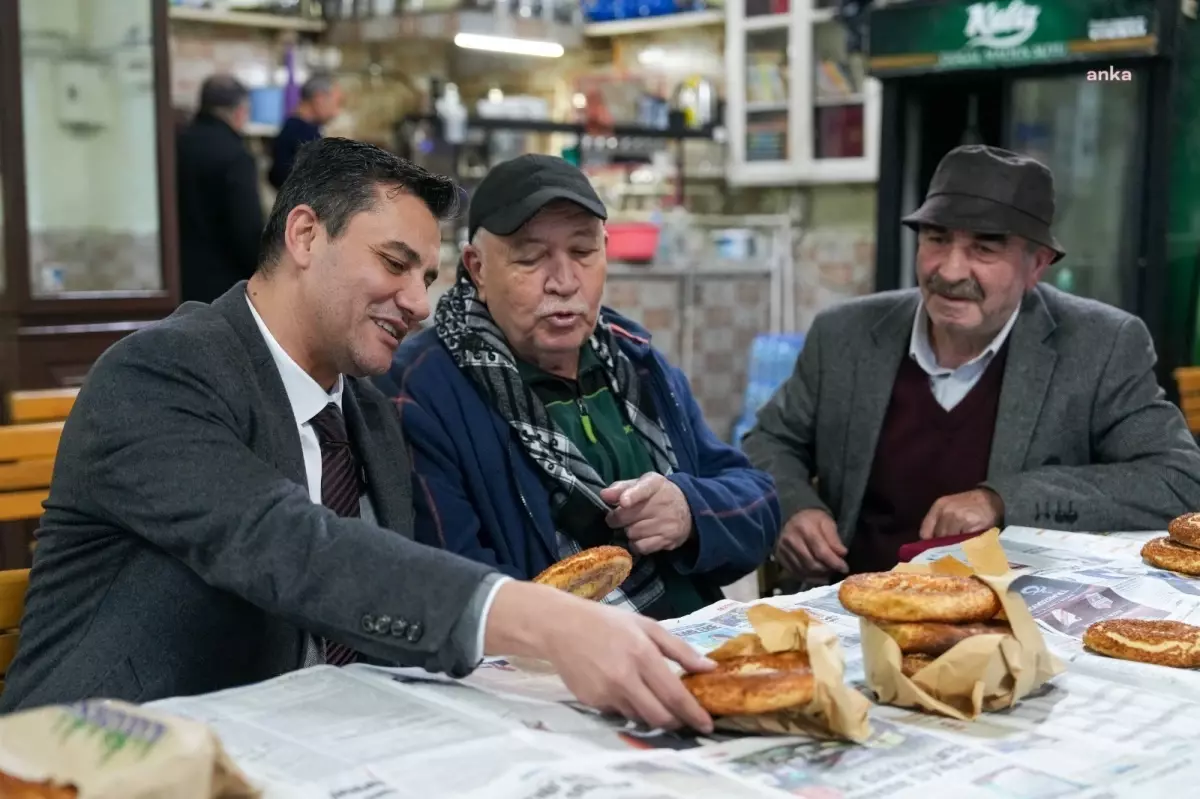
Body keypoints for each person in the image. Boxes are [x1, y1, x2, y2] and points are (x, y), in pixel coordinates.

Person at [1, 139, 716, 735]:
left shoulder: (369, 412)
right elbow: (282, 542)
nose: (416, 302)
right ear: (306, 235)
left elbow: (383, 597)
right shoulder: (160, 372)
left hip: (313, 739)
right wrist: (540, 619)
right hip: (102, 751)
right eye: (395, 263)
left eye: (428, 277)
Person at [743, 144, 1200, 579]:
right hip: (853, 605)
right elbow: (768, 440)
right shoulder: (845, 335)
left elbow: (1178, 480)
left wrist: (1003, 500)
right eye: (937, 239)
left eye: (984, 248)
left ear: (1037, 265)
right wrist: (794, 507)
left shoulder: (1100, 346)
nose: (951, 270)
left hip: (1014, 622)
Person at [379, 154, 781, 620]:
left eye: (584, 252)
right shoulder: (422, 391)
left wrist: (690, 510)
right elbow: (454, 590)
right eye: (530, 258)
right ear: (477, 269)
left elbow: (761, 507)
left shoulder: (638, 362)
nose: (565, 282)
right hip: (553, 666)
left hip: (692, 640)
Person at [177, 74, 264, 304]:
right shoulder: (236, 156)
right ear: (239, 112)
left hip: (176, 279)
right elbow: (246, 229)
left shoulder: (176, 144)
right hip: (222, 285)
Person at [268, 72, 342, 191]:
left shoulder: (294, 127)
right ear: (320, 98)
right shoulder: (303, 135)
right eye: (337, 102)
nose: (336, 112)